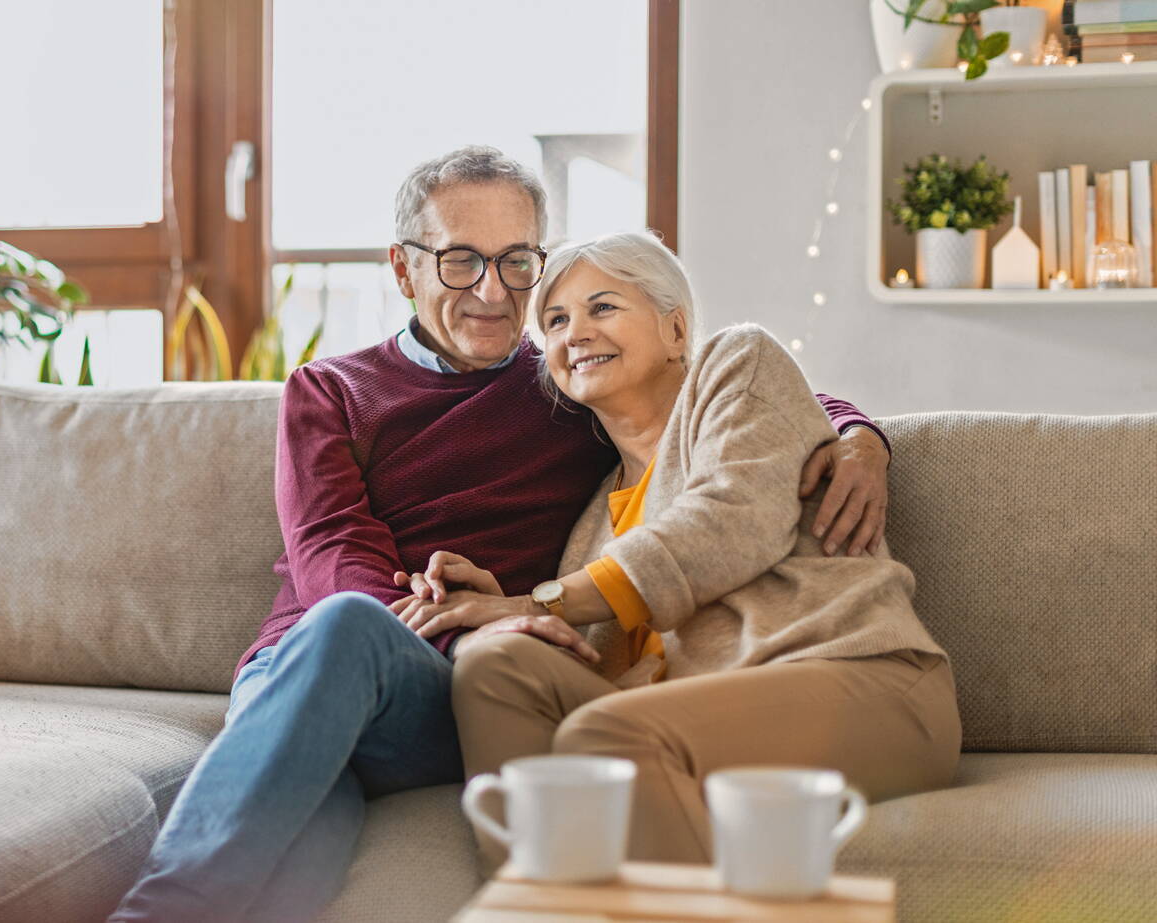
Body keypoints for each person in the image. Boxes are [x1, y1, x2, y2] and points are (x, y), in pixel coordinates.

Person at [109, 148, 892, 922]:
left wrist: (860, 438)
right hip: (319, 661)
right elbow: (331, 555)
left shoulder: (564, 376)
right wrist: (480, 625)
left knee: (341, 711)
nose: (491, 291)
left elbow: (729, 395)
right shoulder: (330, 390)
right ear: (402, 267)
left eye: (516, 262)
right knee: (335, 699)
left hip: (470, 692)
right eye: (459, 261)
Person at [394, 230, 960, 868]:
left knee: (610, 735)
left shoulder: (737, 366)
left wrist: (544, 601)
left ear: (675, 329)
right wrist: (516, 618)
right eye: (555, 320)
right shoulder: (590, 528)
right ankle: (541, 898)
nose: (574, 332)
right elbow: (612, 661)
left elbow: (728, 522)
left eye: (603, 307)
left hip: (862, 681)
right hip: (702, 717)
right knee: (495, 667)